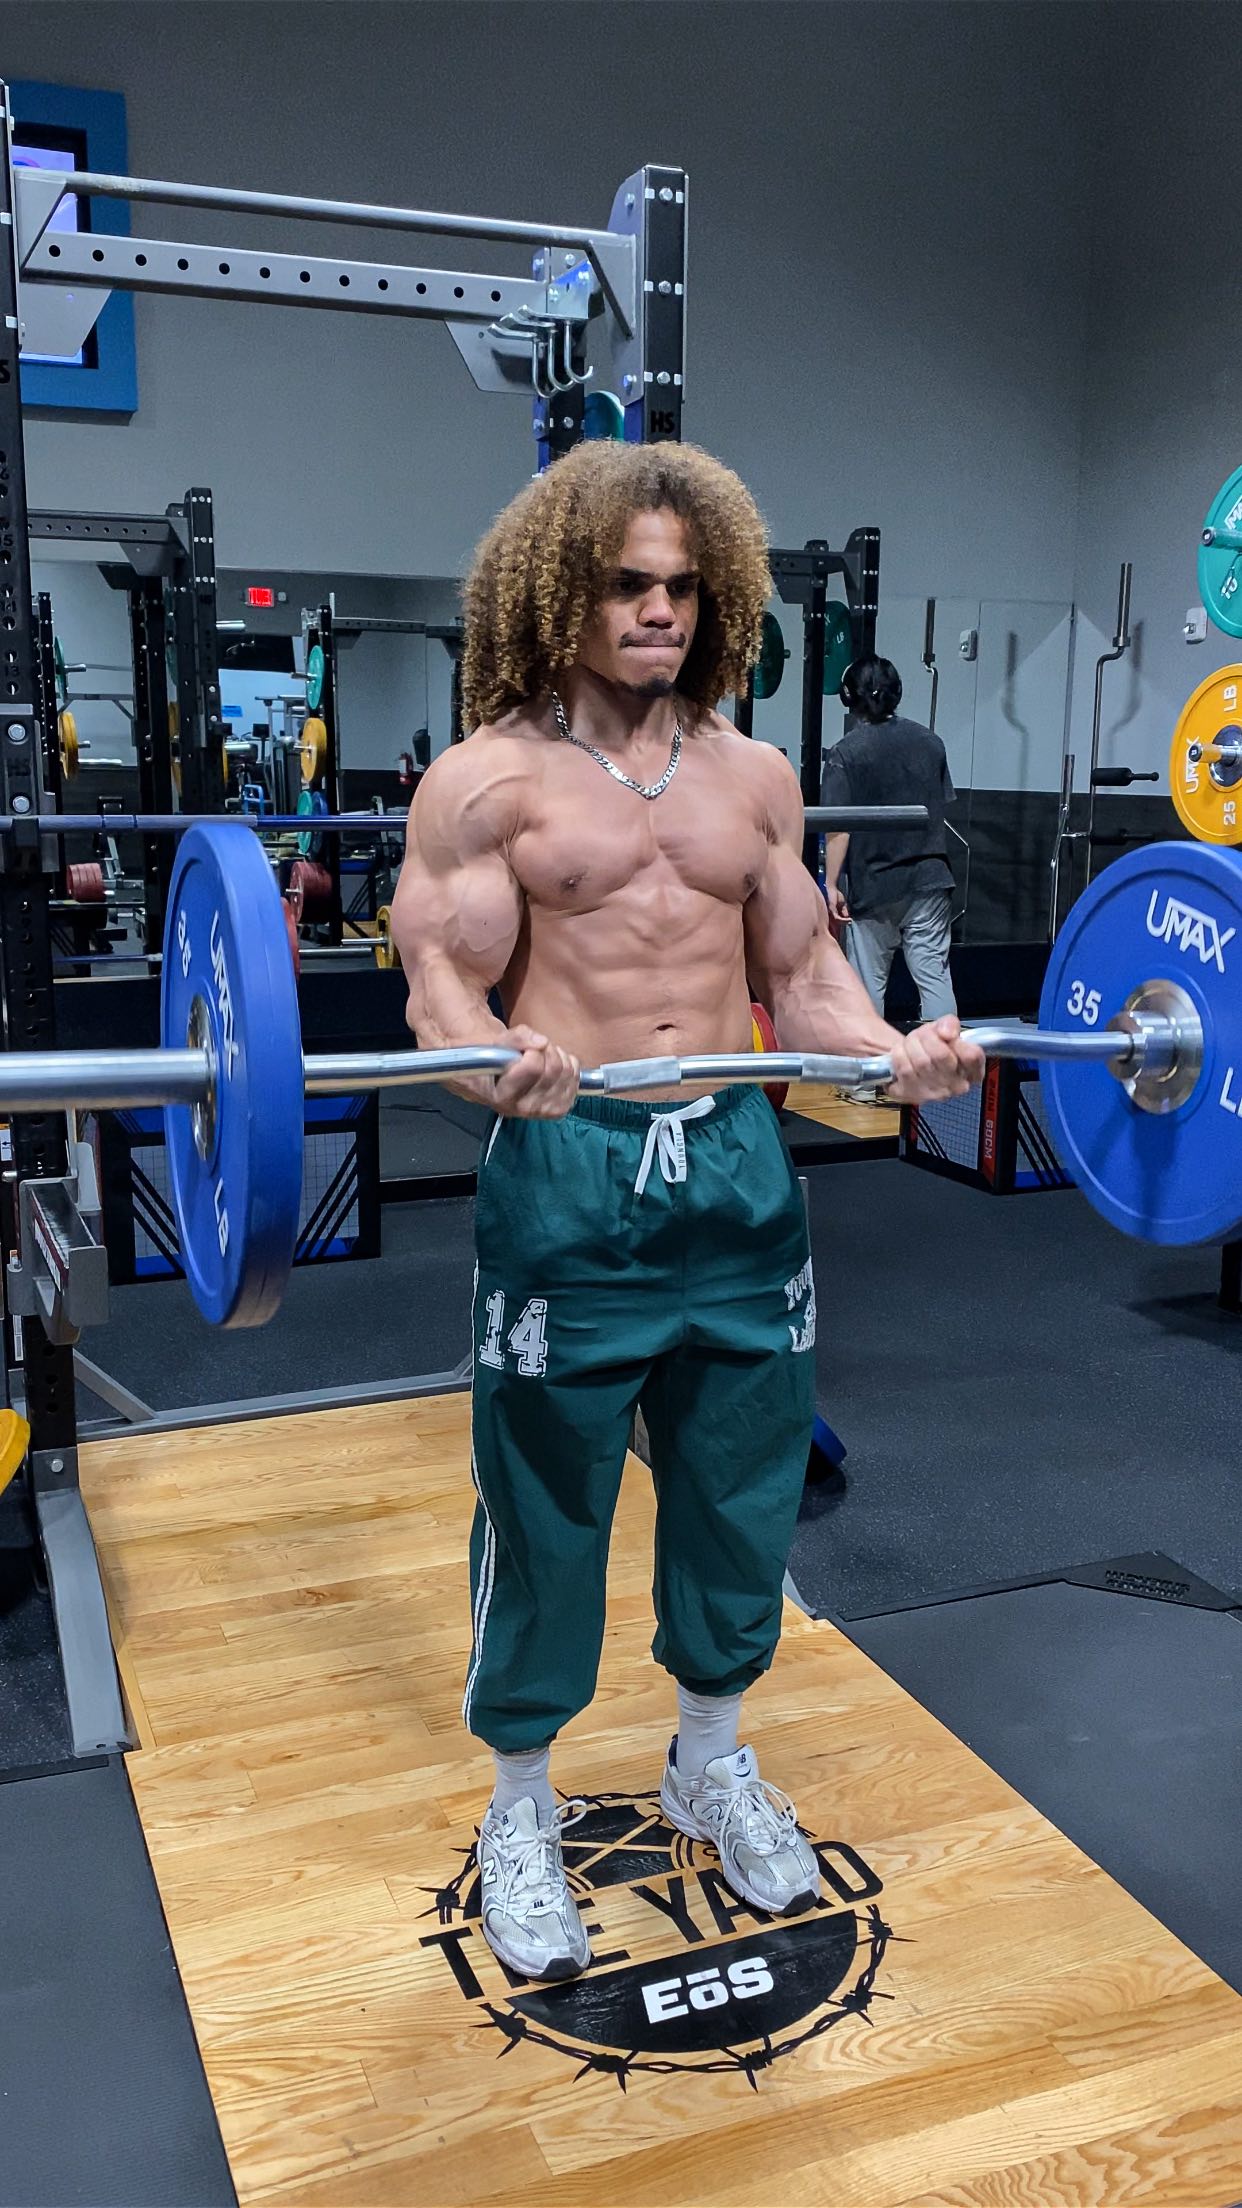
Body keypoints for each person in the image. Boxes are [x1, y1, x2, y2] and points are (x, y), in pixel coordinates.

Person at [390, 442, 984, 1984]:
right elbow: (441, 989)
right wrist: (489, 1065)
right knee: (544, 1504)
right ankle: (521, 1803)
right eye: (626, 584)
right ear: (558, 595)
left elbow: (805, 978)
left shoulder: (754, 779)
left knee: (743, 1483)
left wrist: (891, 1056)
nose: (659, 610)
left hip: (734, 1166)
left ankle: (707, 1759)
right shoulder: (487, 784)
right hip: (572, 1165)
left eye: (681, 587)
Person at [821, 657, 959, 1041]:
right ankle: (944, 1063)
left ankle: (870, 1070)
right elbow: (939, 805)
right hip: (931, 878)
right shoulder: (931, 743)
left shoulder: (844, 753)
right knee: (933, 975)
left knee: (867, 985)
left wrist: (830, 885)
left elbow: (838, 827)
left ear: (849, 699)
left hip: (875, 883)